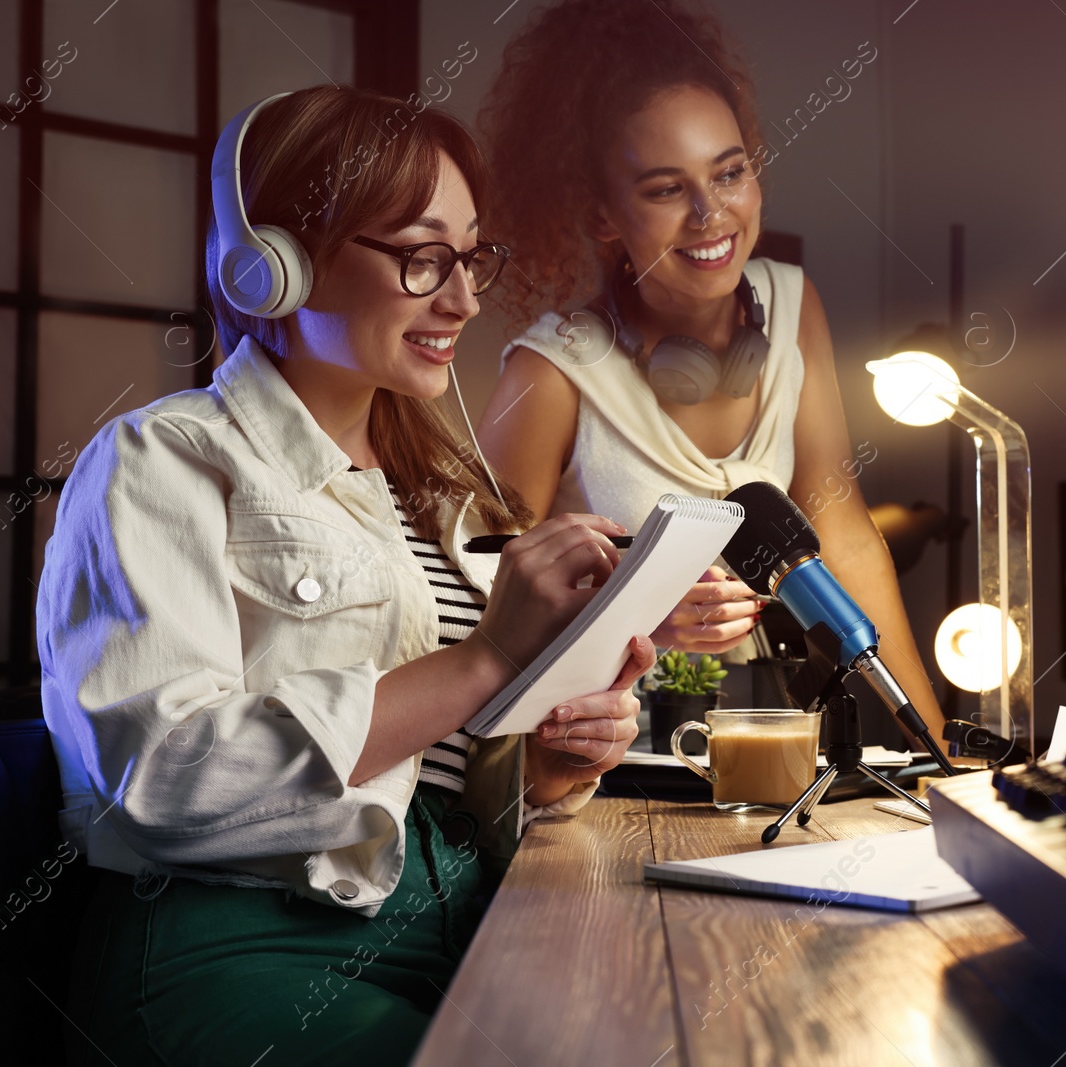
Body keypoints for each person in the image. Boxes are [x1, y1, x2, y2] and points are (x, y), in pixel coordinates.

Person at [36, 85, 651, 1066]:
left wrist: (542, 770)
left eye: (470, 255)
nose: (464, 297)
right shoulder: (164, 459)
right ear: (272, 264)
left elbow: (421, 785)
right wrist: (488, 655)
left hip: (454, 922)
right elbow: (155, 780)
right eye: (421, 256)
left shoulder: (435, 501)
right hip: (239, 948)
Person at [475, 0, 944, 737]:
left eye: (730, 173)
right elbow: (483, 608)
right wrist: (641, 614)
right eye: (666, 189)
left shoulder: (794, 304)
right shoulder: (550, 372)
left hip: (770, 743)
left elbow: (842, 530)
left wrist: (931, 741)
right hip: (606, 768)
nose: (710, 214)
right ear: (603, 214)